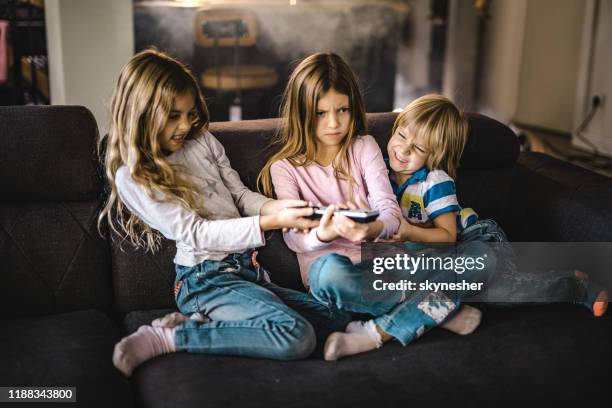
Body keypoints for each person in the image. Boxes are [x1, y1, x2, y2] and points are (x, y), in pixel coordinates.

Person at [99, 49, 351, 376]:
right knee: (295, 336)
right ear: (142, 113)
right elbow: (197, 233)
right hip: (204, 280)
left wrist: (281, 207)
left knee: (338, 319)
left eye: (190, 114)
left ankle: (209, 320)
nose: (186, 124)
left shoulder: (202, 141)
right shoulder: (134, 175)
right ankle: (171, 337)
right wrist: (270, 222)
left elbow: (240, 195)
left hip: (248, 273)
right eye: (174, 115)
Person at [312, 93, 609, 360]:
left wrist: (408, 231)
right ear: (396, 125)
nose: (403, 150)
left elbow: (447, 236)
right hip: (425, 257)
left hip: (474, 241)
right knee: (444, 284)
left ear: (436, 155)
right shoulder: (381, 170)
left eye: (418, 148)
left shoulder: (435, 182)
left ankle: (377, 333)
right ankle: (445, 309)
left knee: (497, 286)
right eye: (401, 136)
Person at [258, 53, 488, 361]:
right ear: (301, 113)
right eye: (320, 113)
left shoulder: (363, 146)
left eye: (343, 110)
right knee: (330, 275)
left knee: (482, 260)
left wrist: (376, 226)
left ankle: (401, 320)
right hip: (334, 273)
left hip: (384, 262)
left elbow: (389, 210)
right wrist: (324, 234)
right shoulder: (284, 168)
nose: (334, 123)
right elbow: (294, 238)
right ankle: (438, 311)